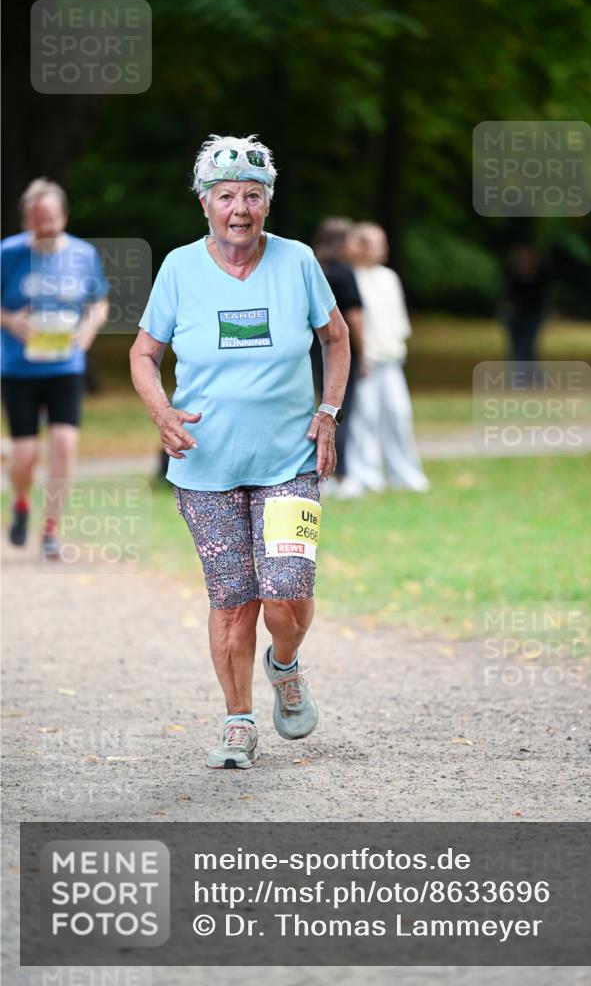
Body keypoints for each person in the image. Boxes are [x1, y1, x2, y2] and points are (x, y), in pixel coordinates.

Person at [129, 134, 350, 770]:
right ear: (204, 203)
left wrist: (328, 412)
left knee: (287, 593)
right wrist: (162, 413)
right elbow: (143, 354)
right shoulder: (179, 268)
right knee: (232, 600)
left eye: (252, 195)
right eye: (226, 196)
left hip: (289, 460)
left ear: (268, 203)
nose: (239, 209)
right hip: (205, 467)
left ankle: (285, 663)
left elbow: (336, 340)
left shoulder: (298, 261)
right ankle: (238, 721)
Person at [1, 178, 109, 559]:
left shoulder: (83, 254)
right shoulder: (8, 253)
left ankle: (50, 531)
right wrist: (11, 320)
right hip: (20, 369)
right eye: (37, 221)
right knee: (25, 454)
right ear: (26, 220)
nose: (45, 228)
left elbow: (99, 301)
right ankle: (20, 503)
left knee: (64, 446)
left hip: (66, 366)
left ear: (63, 216)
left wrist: (90, 328)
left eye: (51, 219)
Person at [342, 222, 429, 495]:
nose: (383, 248)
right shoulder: (351, 277)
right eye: (377, 243)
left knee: (398, 414)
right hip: (366, 361)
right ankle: (367, 474)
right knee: (364, 418)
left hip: (391, 358)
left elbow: (398, 322)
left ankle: (404, 473)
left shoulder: (389, 277)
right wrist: (362, 355)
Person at [310, 217, 365, 493]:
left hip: (314, 350)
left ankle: (324, 470)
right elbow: (353, 318)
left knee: (324, 405)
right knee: (340, 410)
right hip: (341, 351)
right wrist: (364, 351)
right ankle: (340, 473)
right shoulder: (345, 273)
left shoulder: (316, 269)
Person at [498, 243, 549, 375]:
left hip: (533, 315)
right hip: (514, 315)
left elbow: (541, 296)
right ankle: (520, 375)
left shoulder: (540, 274)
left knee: (528, 345)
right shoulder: (510, 273)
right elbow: (506, 294)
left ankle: (529, 374)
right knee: (517, 346)